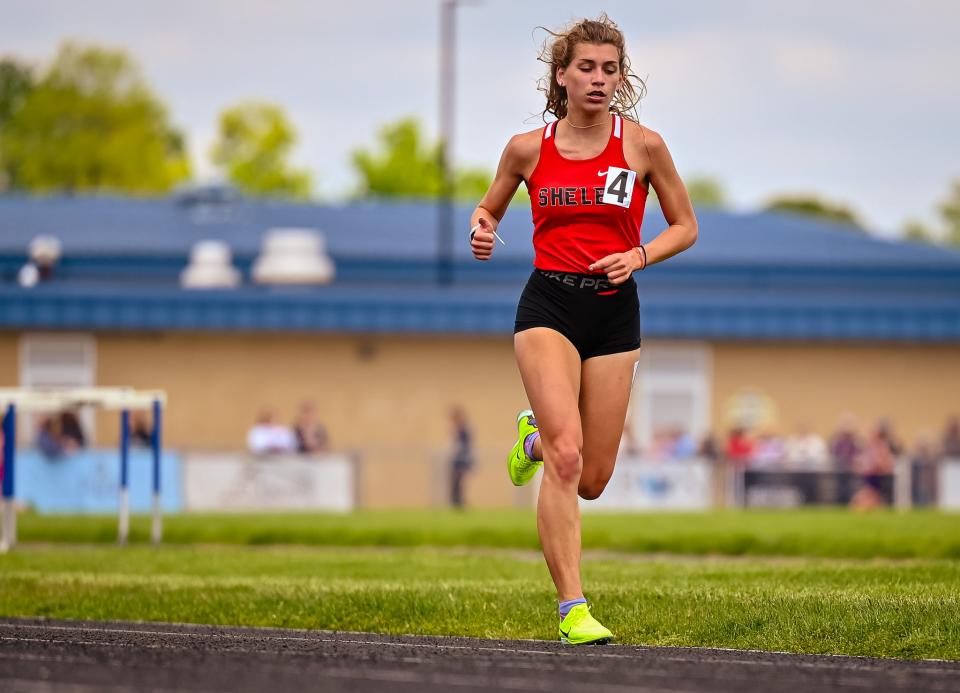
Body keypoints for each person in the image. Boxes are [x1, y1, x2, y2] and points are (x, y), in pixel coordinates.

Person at [470, 14, 697, 645]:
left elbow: (686, 225)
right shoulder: (526, 148)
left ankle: (534, 440)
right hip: (549, 305)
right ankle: (574, 609)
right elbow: (489, 206)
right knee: (569, 456)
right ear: (562, 76)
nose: (598, 80)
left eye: (610, 69)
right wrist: (483, 227)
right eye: (586, 68)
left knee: (591, 477)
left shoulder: (644, 145)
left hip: (615, 310)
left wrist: (640, 255)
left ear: (621, 78)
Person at [448, 406, 474, 508]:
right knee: (455, 483)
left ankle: (459, 504)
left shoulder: (464, 430)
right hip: (457, 461)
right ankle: (455, 504)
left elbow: (465, 446)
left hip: (461, 461)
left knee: (459, 483)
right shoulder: (458, 430)